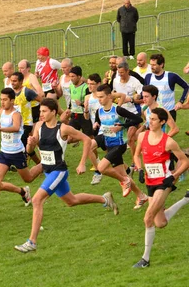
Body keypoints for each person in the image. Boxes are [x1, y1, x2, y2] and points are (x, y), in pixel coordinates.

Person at [14, 98, 118, 253]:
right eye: (40, 111)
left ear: (54, 112)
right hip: (47, 169)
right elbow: (30, 150)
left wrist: (82, 162)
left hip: (58, 171)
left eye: (44, 111)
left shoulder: (63, 129)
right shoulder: (38, 126)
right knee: (71, 200)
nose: (41, 114)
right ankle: (104, 199)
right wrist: (31, 142)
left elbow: (86, 140)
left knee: (36, 200)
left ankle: (32, 242)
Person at [131, 108, 189, 268]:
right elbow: (136, 155)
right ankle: (186, 199)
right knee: (160, 222)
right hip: (150, 183)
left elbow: (185, 161)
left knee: (148, 217)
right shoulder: (142, 136)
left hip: (164, 183)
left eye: (155, 119)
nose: (150, 121)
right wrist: (140, 169)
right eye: (150, 118)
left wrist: (174, 175)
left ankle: (145, 260)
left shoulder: (168, 142)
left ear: (163, 122)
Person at [0, 89, 36, 219]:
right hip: (4, 152)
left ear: (12, 100)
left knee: (29, 178)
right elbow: (2, 126)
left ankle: (43, 165)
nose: (2, 102)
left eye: (5, 99)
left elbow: (15, 128)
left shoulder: (16, 114)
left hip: (17, 152)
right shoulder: (1, 111)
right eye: (1, 99)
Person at [88, 84, 147, 209]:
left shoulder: (118, 110)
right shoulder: (99, 110)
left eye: (102, 97)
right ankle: (141, 196)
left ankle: (124, 181)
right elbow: (100, 125)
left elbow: (137, 119)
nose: (99, 100)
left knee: (101, 167)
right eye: (98, 97)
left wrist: (122, 126)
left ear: (109, 96)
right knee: (123, 174)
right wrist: (96, 126)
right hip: (108, 143)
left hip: (119, 144)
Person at [145, 53, 189, 121]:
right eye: (151, 64)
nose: (151, 67)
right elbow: (145, 94)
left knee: (168, 131)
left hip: (169, 112)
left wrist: (181, 101)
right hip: (153, 112)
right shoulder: (148, 77)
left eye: (154, 65)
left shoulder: (171, 76)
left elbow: (187, 87)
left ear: (161, 64)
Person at [10, 72, 41, 164]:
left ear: (21, 81)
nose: (12, 83)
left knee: (21, 142)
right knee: (28, 145)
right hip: (15, 123)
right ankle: (39, 164)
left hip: (26, 123)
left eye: (15, 81)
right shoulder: (10, 93)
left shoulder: (27, 92)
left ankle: (19, 163)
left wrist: (42, 113)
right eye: (11, 81)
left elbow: (41, 100)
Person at [67, 66, 93, 137]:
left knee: (90, 139)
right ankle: (78, 139)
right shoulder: (71, 86)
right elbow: (72, 99)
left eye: (73, 76)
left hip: (84, 116)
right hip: (74, 115)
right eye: (70, 76)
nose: (71, 78)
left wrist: (81, 104)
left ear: (79, 77)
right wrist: (69, 108)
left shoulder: (86, 88)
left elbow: (91, 104)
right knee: (69, 137)